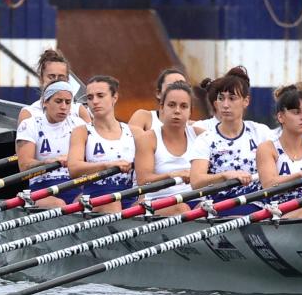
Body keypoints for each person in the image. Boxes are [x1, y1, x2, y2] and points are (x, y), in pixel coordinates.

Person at [187, 67, 270, 213]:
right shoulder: (206, 139)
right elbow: (196, 182)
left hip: (255, 202)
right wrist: (225, 176)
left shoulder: (261, 132)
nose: (225, 105)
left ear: (246, 101)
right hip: (217, 206)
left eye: (232, 98)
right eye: (221, 98)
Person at [67, 75, 136, 214]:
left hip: (130, 197)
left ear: (114, 98)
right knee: (112, 204)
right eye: (90, 97)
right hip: (97, 198)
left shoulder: (134, 132)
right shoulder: (81, 132)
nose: (94, 102)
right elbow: (74, 169)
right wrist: (107, 165)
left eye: (100, 96)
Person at [132, 81, 199, 215]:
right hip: (159, 202)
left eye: (184, 106)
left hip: (196, 200)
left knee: (207, 209)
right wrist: (171, 175)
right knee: (181, 209)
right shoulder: (147, 139)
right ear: (162, 108)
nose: (177, 111)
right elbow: (143, 182)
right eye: (171, 105)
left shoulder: (200, 136)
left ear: (191, 111)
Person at [255, 84, 302, 218]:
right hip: (280, 209)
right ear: (281, 117)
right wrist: (299, 175)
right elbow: (268, 184)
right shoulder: (267, 148)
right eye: (296, 112)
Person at [15, 80, 78, 208]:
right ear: (45, 102)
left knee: (89, 201)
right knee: (58, 204)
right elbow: (24, 166)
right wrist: (46, 162)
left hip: (75, 185)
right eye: (58, 101)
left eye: (68, 102)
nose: (64, 107)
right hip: (42, 188)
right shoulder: (30, 125)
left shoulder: (79, 125)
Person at [15, 48, 92, 127]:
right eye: (51, 77)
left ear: (68, 80)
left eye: (61, 77)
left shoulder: (79, 111)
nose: (56, 81)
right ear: (41, 79)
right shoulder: (29, 114)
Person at [128, 67, 189, 132]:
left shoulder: (193, 128)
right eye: (171, 86)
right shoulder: (143, 117)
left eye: (182, 86)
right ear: (158, 93)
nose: (177, 91)